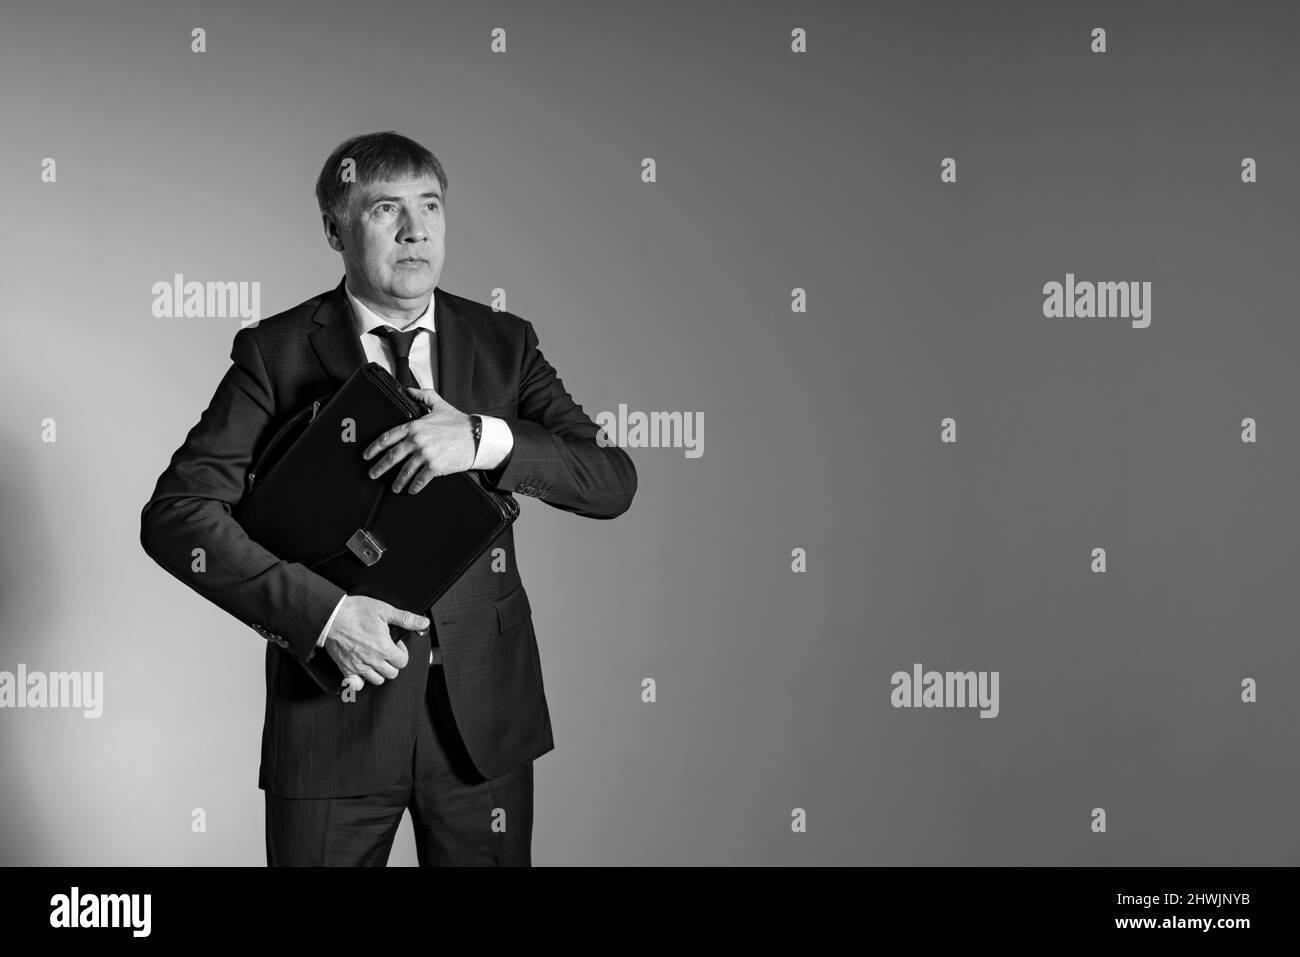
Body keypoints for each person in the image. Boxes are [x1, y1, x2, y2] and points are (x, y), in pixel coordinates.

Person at [139, 131, 637, 866]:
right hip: (329, 720)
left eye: (430, 206)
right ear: (334, 227)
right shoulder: (274, 353)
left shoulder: (505, 343)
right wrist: (324, 615)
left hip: (482, 726)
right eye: (385, 209)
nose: (416, 230)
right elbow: (178, 516)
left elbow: (610, 480)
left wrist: (481, 439)